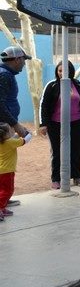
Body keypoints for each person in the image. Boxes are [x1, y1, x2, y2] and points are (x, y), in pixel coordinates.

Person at [39, 61, 80, 189]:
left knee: (75, 150)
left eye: (65, 70)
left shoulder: (79, 85)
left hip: (77, 123)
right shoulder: (52, 85)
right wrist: (43, 124)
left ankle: (77, 176)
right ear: (57, 71)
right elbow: (44, 106)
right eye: (60, 70)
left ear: (71, 71)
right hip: (55, 124)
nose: (62, 73)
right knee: (57, 151)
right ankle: (56, 178)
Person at [0, 45, 31, 207]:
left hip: (5, 124)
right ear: (17, 59)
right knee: (4, 163)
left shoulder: (6, 74)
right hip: (3, 126)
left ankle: (3, 197)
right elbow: (0, 104)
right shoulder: (4, 75)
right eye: (23, 60)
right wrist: (15, 124)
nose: (24, 64)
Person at [0, 123, 31, 221]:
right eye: (10, 131)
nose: (12, 132)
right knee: (7, 191)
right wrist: (29, 133)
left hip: (2, 171)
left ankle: (2, 208)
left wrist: (18, 134)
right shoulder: (10, 142)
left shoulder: (4, 141)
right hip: (7, 171)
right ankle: (0, 208)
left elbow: (14, 137)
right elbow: (25, 140)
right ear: (5, 135)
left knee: (1, 190)